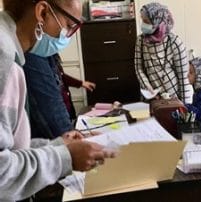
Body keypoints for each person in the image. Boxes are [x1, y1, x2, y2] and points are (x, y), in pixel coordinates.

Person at [0, 0, 115, 201]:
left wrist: (59, 145)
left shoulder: (11, 51)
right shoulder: (4, 58)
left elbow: (11, 150)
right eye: (70, 26)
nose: (68, 36)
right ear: (42, 12)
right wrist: (66, 158)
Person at [23, 53, 95, 139]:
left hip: (65, 111)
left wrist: (80, 83)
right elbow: (49, 104)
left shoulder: (51, 56)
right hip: (56, 126)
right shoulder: (34, 57)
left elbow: (61, 76)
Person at [134, 2, 193, 104]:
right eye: (142, 20)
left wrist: (185, 107)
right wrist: (148, 89)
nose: (143, 24)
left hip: (173, 99)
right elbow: (139, 68)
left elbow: (183, 78)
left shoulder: (174, 42)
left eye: (146, 21)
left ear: (157, 23)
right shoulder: (141, 40)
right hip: (151, 99)